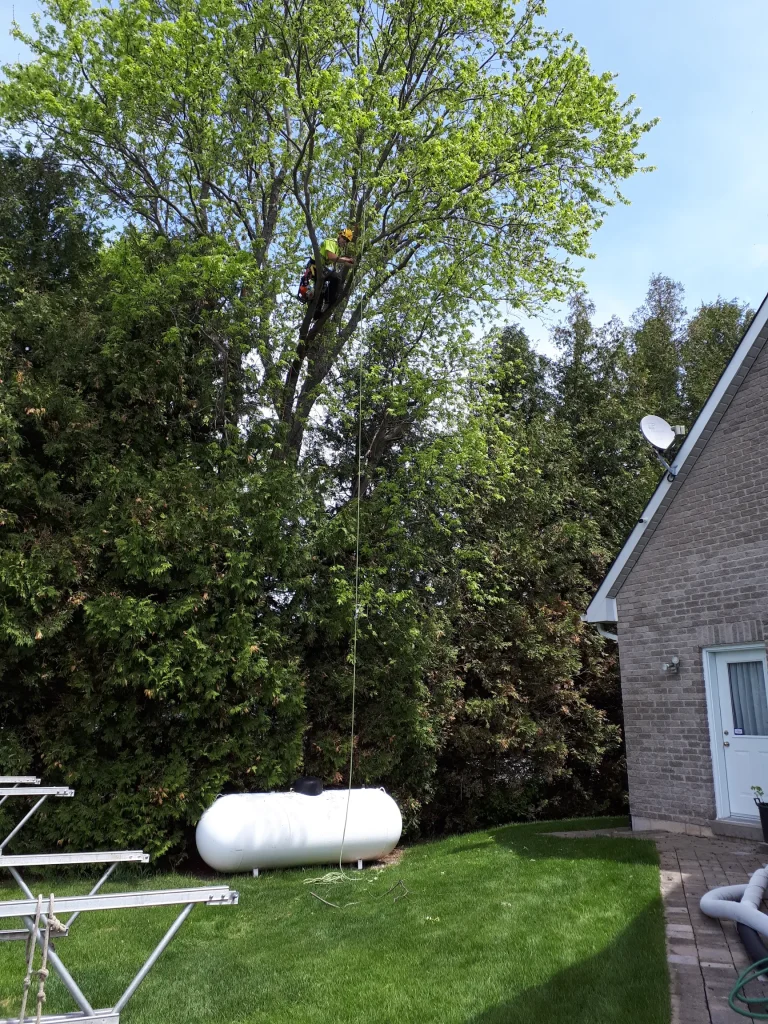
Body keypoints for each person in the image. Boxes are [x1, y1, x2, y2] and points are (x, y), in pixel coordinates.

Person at [318, 228, 355, 310]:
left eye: (347, 241)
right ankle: (328, 301)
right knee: (336, 277)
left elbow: (338, 260)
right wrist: (346, 259)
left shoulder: (338, 249)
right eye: (344, 238)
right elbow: (332, 257)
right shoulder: (331, 242)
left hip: (322, 267)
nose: (345, 241)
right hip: (315, 265)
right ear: (340, 236)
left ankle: (318, 311)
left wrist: (351, 263)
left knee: (322, 289)